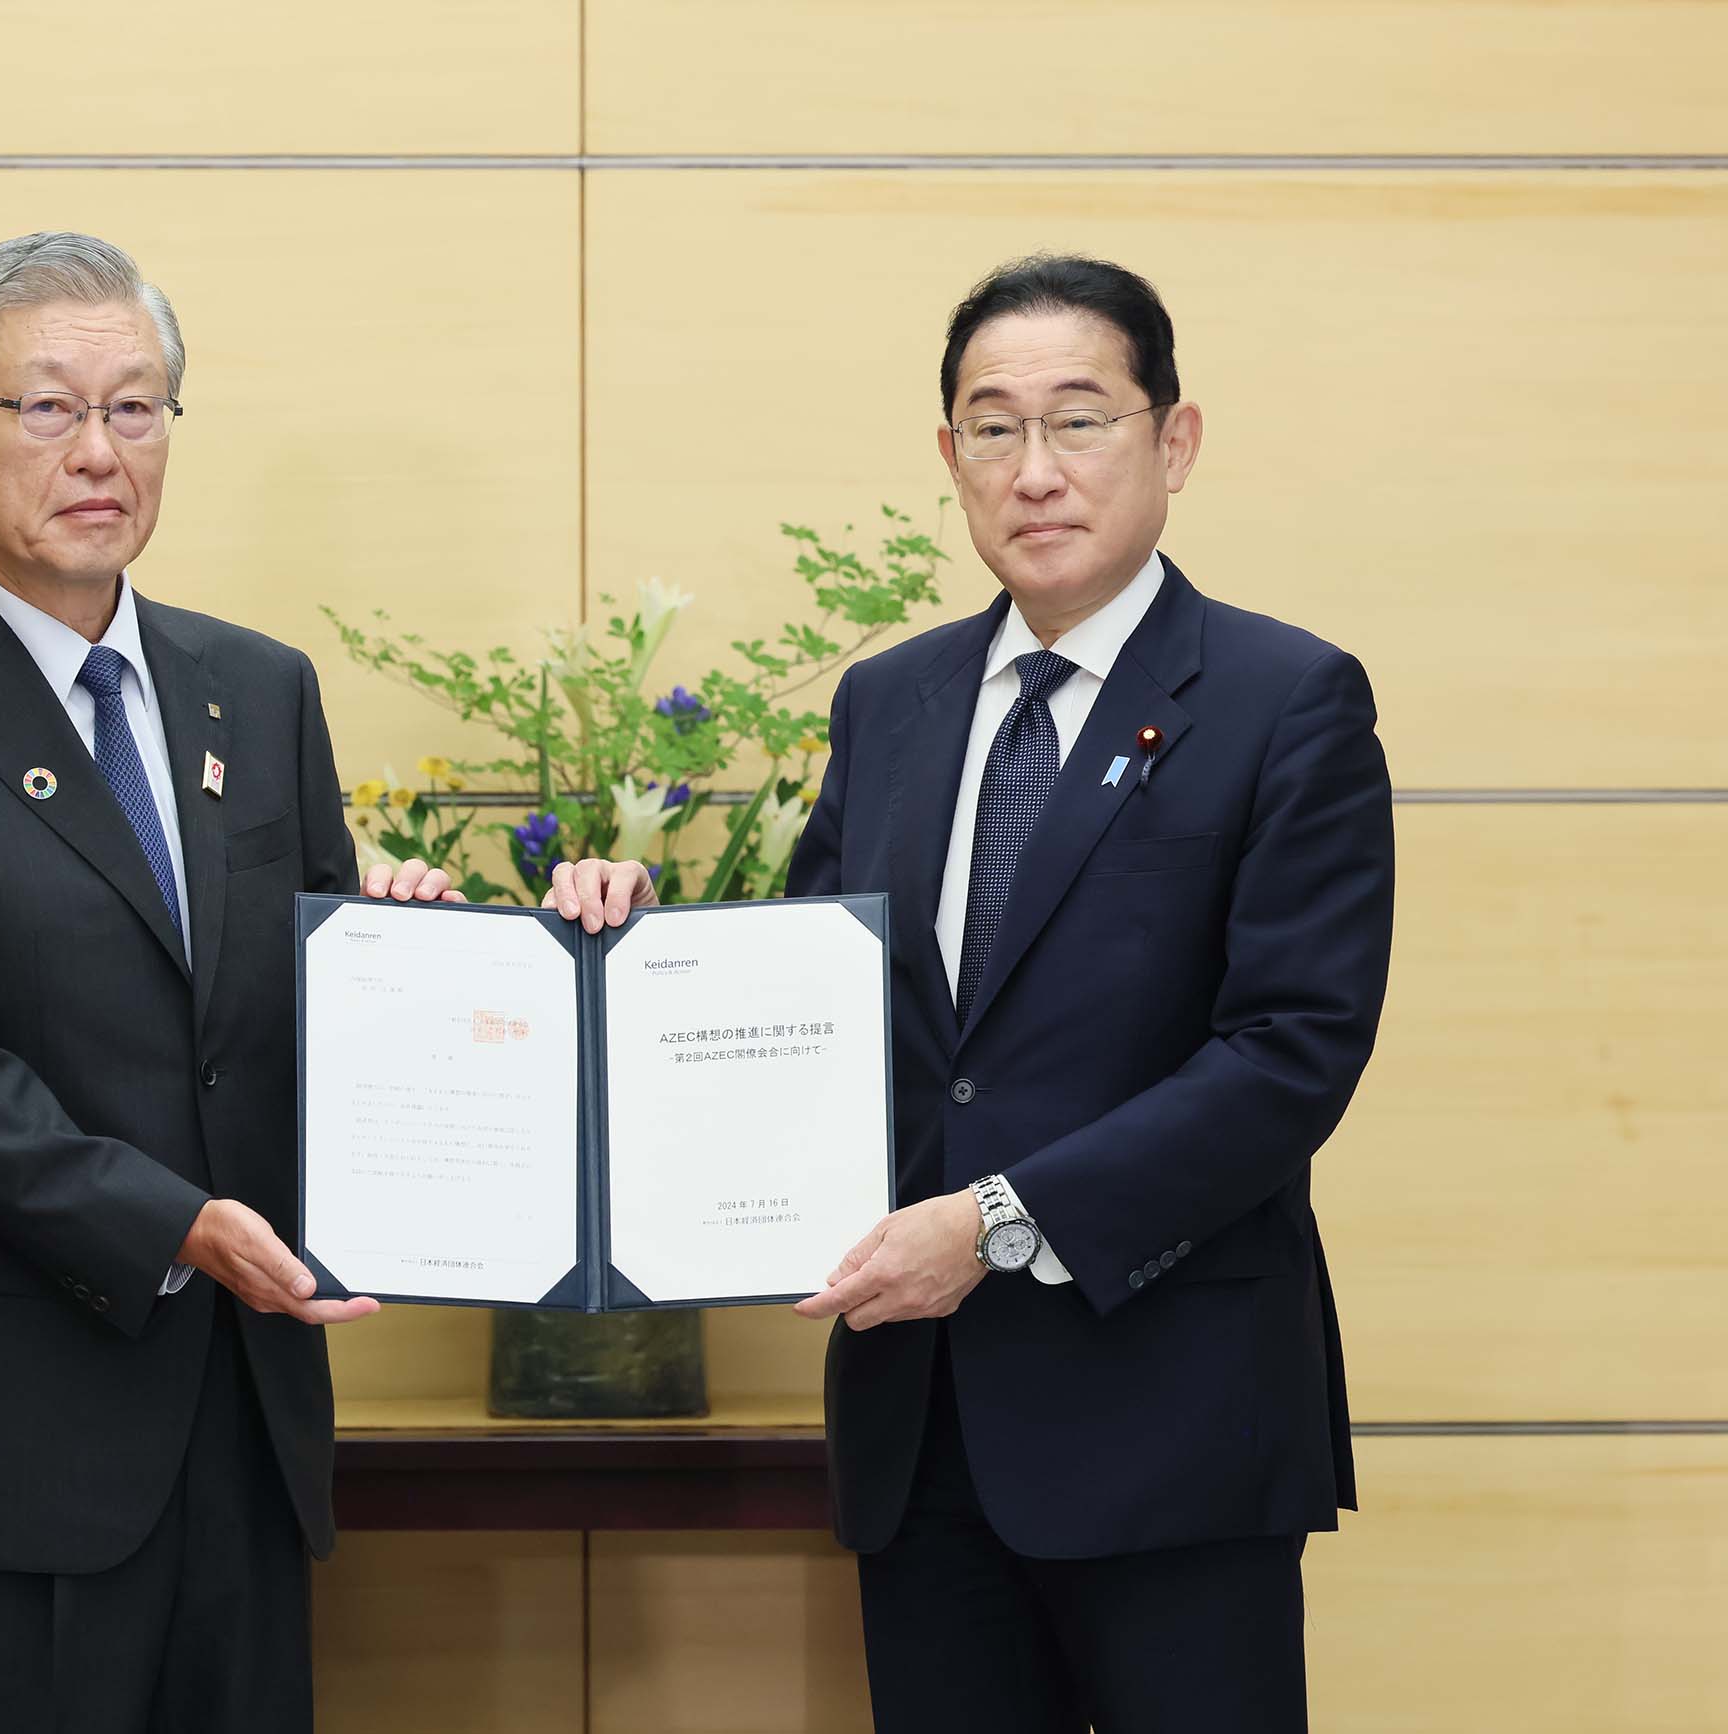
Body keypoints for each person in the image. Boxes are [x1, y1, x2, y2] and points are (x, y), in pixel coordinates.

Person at [548, 255, 1394, 1731]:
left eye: (1080, 419)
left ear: (1175, 441)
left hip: (1172, 1419)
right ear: (951, 458)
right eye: (994, 428)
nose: (1035, 469)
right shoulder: (893, 701)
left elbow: (1288, 1057)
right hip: (924, 1425)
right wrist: (633, 949)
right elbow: (815, 1002)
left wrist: (999, 1223)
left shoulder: (1285, 701)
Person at [0, 231, 441, 1734]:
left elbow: (295, 1003)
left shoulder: (259, 689)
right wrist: (176, 1225)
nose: (98, 451)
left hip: (245, 1423)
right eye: (47, 407)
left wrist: (402, 956)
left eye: (136, 408)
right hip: (6, 1450)